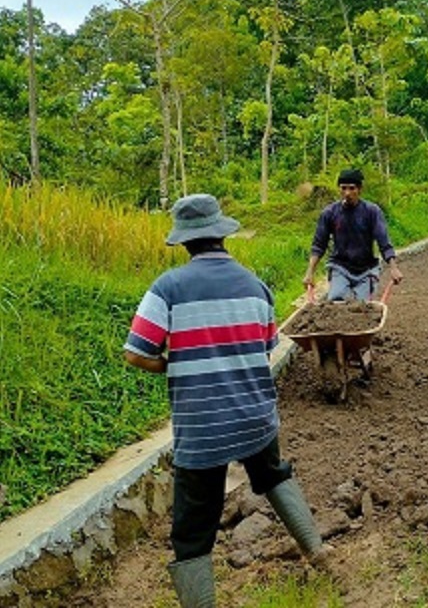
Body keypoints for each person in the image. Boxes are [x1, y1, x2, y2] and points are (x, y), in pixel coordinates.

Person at [123, 194, 336, 608]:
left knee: (192, 529)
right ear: (222, 234)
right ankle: (317, 550)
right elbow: (266, 345)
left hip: (202, 428)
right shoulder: (254, 284)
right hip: (256, 416)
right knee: (273, 474)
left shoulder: (168, 288)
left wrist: (175, 364)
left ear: (184, 242)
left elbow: (135, 352)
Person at [303, 169, 403, 302]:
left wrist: (394, 268)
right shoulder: (330, 213)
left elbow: (384, 242)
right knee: (336, 301)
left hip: (366, 269)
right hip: (340, 267)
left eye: (352, 188)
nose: (347, 193)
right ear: (339, 189)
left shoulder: (371, 212)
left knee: (362, 307)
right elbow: (318, 245)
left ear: (360, 189)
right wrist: (310, 272)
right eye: (343, 188)